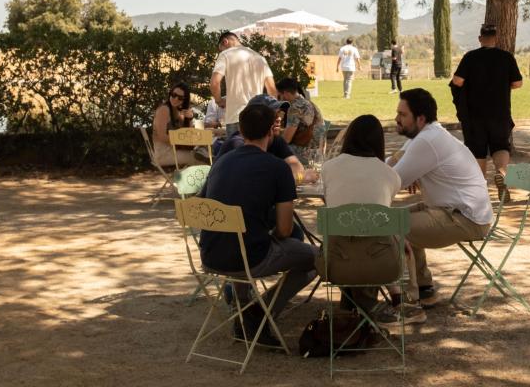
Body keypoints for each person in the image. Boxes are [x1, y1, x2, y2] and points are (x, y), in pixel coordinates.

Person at [198, 103, 317, 345]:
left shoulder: (221, 162)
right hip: (250, 259)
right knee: (319, 257)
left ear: (240, 130)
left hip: (210, 255)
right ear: (272, 131)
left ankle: (244, 309)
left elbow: (203, 203)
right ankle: (259, 313)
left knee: (242, 239)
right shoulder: (278, 168)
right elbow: (285, 230)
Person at [380, 88, 493, 327]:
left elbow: (390, 181)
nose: (397, 119)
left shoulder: (427, 141)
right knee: (392, 218)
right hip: (453, 209)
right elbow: (394, 162)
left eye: (402, 114)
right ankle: (425, 289)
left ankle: (408, 304)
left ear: (420, 119)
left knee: (391, 225)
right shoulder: (427, 135)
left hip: (463, 217)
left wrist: (359, 181)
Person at [318, 114, 403, 315]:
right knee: (373, 240)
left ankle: (353, 312)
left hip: (335, 265)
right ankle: (367, 312)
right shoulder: (390, 175)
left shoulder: (328, 168)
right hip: (382, 265)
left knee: (349, 241)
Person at [450, 23, 523, 181]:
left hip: (475, 115)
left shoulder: (470, 57)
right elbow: (518, 83)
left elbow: (457, 80)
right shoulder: (506, 57)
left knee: (477, 150)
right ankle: (501, 172)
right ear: (496, 38)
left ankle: (481, 186)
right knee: (501, 146)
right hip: (500, 113)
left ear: (480, 38)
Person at [214, 94, 317, 185]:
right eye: (273, 115)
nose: (279, 118)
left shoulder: (275, 140)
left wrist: (298, 177)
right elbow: (256, 182)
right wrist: (302, 178)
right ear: (257, 119)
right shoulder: (238, 143)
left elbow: (296, 166)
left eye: (280, 113)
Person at [211, 31, 277, 136]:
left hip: (236, 117)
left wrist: (219, 101)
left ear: (225, 41)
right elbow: (272, 91)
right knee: (255, 152)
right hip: (258, 117)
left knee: (237, 151)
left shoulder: (226, 54)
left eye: (221, 49)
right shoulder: (260, 58)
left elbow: (215, 82)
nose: (221, 51)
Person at [275, 77, 327, 165]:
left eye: (279, 95)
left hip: (307, 154)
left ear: (286, 93)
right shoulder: (310, 103)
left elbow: (286, 139)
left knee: (274, 149)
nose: (279, 99)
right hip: (320, 152)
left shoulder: (295, 108)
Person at [151, 82, 196, 168]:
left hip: (173, 151)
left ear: (184, 100)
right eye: (173, 95)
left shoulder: (177, 112)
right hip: (163, 154)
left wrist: (189, 118)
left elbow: (190, 133)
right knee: (202, 158)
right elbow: (162, 136)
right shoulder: (164, 109)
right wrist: (182, 140)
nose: (175, 99)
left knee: (202, 154)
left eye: (180, 98)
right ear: (170, 94)